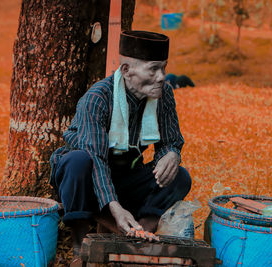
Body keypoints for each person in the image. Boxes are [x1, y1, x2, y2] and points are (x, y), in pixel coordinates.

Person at [49, 30, 192, 264]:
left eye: (164, 68)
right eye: (153, 69)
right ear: (126, 71)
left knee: (180, 177)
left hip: (126, 176)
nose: (161, 77)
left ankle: (138, 236)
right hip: (87, 178)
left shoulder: (163, 93)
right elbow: (94, 158)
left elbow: (170, 141)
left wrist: (172, 154)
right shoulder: (98, 98)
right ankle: (80, 244)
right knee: (78, 161)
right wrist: (115, 207)